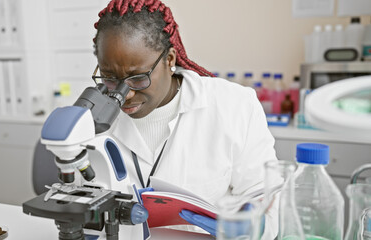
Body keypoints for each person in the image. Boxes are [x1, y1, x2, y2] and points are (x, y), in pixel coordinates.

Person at [92, 0, 279, 238]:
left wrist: (256, 223)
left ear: (169, 60)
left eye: (138, 78)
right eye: (109, 78)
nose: (125, 93)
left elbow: (267, 196)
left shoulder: (234, 105)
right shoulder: (91, 118)